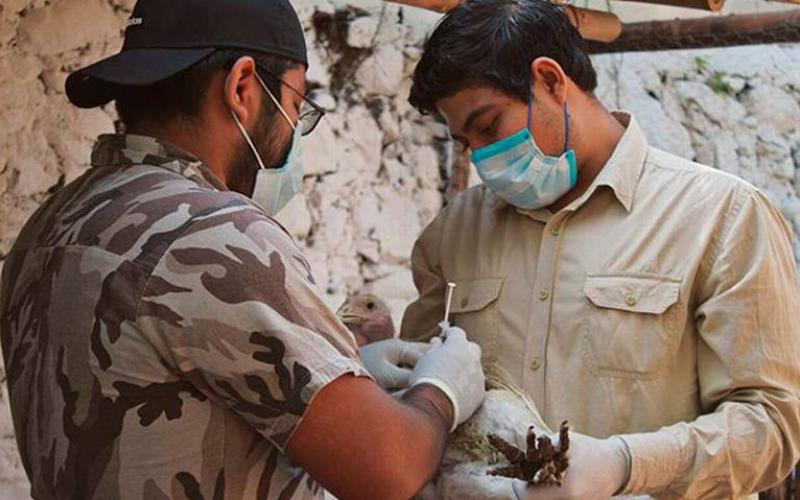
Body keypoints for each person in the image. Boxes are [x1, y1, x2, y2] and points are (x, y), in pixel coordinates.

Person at [0, 1, 487, 498]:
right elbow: (391, 468)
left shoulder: (53, 220)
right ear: (242, 87)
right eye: (298, 106)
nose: (295, 132)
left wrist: (344, 373)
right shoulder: (214, 233)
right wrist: (441, 391)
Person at [400, 0, 800, 498]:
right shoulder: (454, 232)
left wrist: (626, 464)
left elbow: (771, 426)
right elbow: (420, 406)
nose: (481, 157)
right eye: (465, 142)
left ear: (550, 81)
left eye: (488, 126)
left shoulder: (722, 215)